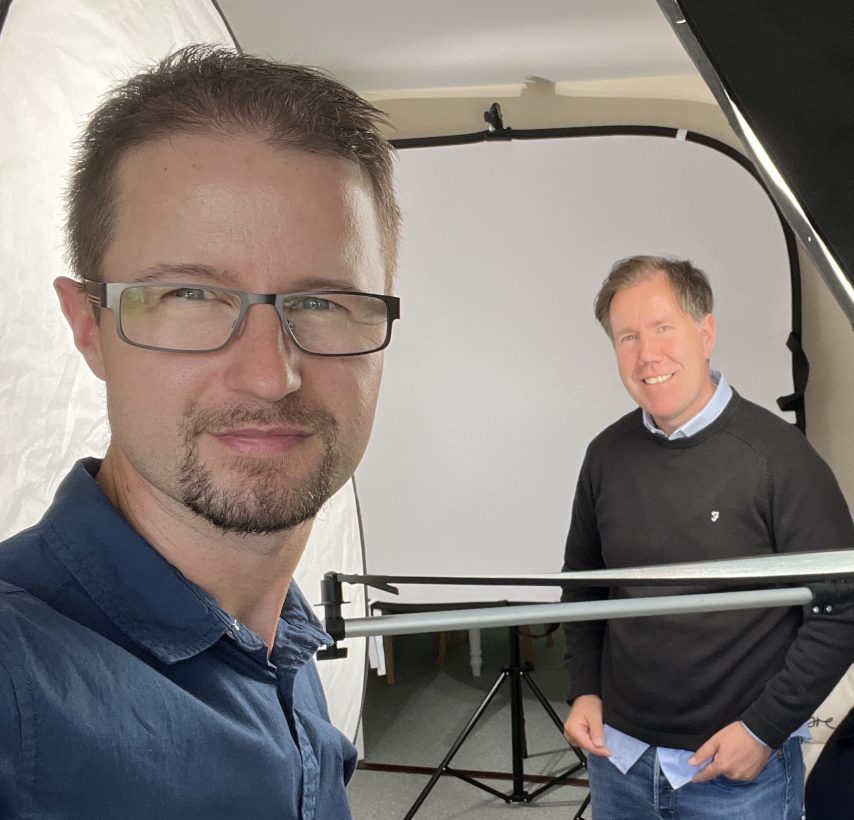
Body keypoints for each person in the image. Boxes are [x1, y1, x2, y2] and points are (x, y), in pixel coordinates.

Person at [0, 46, 401, 818]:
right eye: (190, 295)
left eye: (323, 303)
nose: (269, 375)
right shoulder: (18, 688)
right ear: (88, 327)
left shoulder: (281, 641)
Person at [561, 255, 854, 819]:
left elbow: (842, 610)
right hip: (618, 762)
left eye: (662, 328)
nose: (647, 355)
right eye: (627, 337)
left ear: (706, 332)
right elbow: (583, 588)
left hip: (735, 773)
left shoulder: (780, 459)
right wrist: (585, 689)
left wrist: (764, 729)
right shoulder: (605, 456)